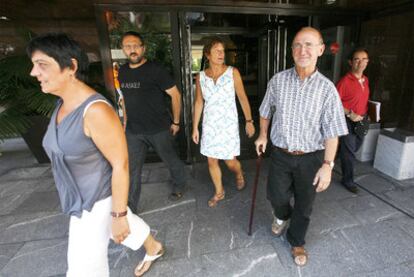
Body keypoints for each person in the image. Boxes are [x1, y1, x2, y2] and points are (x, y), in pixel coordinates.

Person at [27, 33, 163, 277]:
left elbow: (121, 163)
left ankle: (143, 238)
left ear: (72, 67)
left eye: (42, 65)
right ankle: (154, 247)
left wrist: (118, 214)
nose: (33, 72)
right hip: (80, 196)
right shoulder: (61, 105)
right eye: (34, 65)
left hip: (94, 202)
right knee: (125, 226)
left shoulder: (95, 111)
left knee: (82, 268)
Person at [255, 27, 348, 266]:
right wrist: (263, 135)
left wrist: (328, 165)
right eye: (297, 45)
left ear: (320, 49)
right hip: (281, 154)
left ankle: (296, 241)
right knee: (276, 196)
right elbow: (266, 111)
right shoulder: (278, 80)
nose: (302, 50)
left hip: (311, 158)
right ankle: (282, 215)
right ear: (291, 50)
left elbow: (332, 131)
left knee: (305, 204)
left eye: (309, 45)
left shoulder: (327, 89)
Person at [118, 31, 187, 213]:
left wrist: (176, 122)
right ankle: (131, 207)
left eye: (135, 46)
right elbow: (124, 98)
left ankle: (179, 184)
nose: (132, 50)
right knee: (132, 169)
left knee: (170, 160)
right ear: (123, 49)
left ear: (143, 48)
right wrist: (125, 121)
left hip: (159, 128)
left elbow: (175, 95)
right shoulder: (122, 72)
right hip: (134, 131)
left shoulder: (156, 70)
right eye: (127, 46)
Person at [192, 37, 255, 207]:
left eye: (222, 51)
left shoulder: (232, 72)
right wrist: (195, 128)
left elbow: (242, 98)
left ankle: (239, 173)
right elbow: (199, 102)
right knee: (211, 160)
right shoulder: (201, 77)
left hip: (228, 125)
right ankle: (219, 192)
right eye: (217, 51)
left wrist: (249, 121)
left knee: (229, 161)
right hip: (210, 125)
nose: (221, 54)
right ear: (207, 54)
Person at [336, 48, 370, 194]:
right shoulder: (344, 81)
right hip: (347, 120)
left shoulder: (366, 79)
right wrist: (350, 113)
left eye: (364, 59)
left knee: (354, 147)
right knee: (349, 152)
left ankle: (338, 154)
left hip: (362, 120)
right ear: (351, 62)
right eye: (357, 59)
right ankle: (348, 180)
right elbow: (334, 102)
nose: (361, 62)